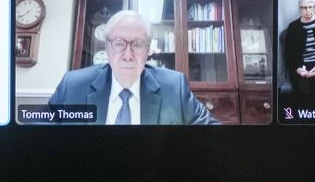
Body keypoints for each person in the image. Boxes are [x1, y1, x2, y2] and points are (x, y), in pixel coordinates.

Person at [48, 11, 219, 125]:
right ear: (107, 47)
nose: (128, 55)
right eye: (119, 44)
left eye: (137, 45)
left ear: (148, 50)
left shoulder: (174, 87)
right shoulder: (73, 85)